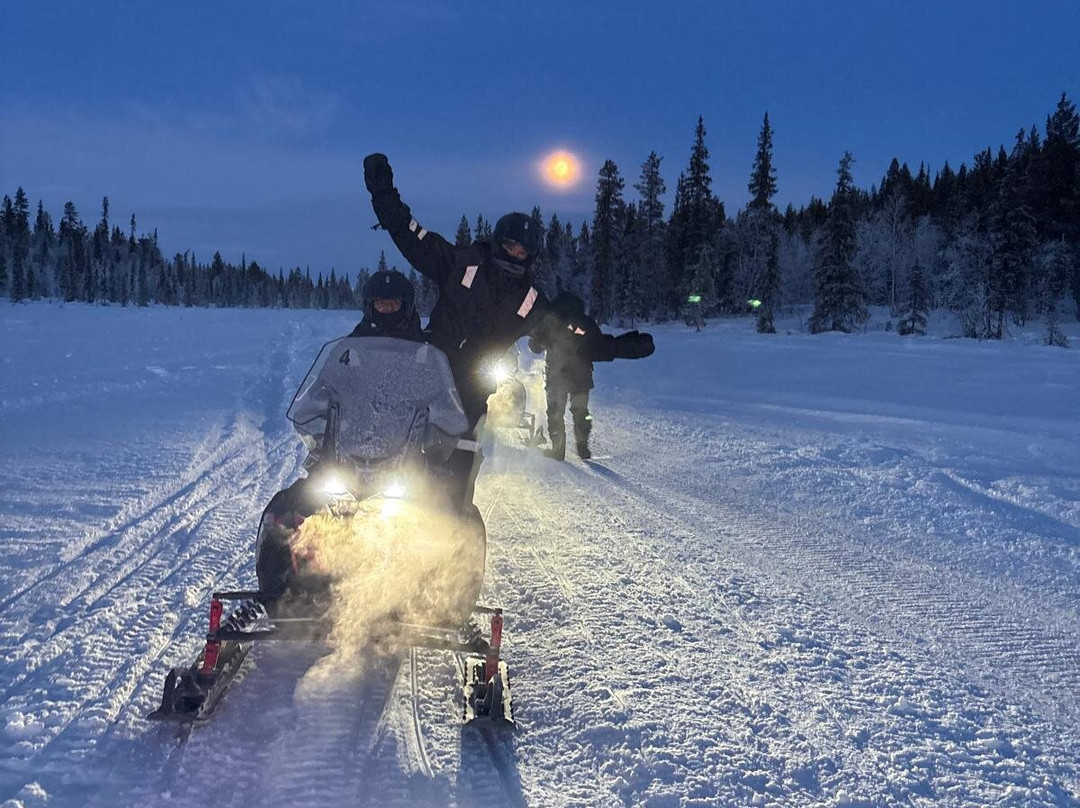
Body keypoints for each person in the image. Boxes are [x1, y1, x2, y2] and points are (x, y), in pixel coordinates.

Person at [362, 153, 654, 503]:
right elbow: (409, 234)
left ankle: (454, 538)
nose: (516, 253)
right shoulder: (459, 264)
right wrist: (383, 192)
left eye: (523, 250)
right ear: (498, 241)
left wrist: (617, 347)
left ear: (531, 255)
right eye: (511, 245)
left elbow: (571, 341)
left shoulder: (530, 301)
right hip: (428, 374)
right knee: (387, 448)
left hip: (470, 394)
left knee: (456, 480)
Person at [256, 267, 427, 598]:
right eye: (381, 304)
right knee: (287, 508)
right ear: (369, 306)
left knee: (441, 517)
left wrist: (442, 429)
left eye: (393, 305)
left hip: (402, 457)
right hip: (347, 452)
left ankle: (437, 595)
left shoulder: (422, 355)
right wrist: (316, 420)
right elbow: (321, 390)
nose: (386, 311)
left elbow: (442, 401)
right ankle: (280, 587)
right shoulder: (348, 351)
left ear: (405, 307)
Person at [529, 293, 649, 460]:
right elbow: (598, 344)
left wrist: (538, 339)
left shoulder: (550, 321)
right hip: (582, 374)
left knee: (555, 411)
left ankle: (558, 449)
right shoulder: (585, 322)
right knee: (581, 411)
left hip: (556, 374)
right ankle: (583, 446)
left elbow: (534, 346)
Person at [349, 268, 423, 340]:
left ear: (406, 307)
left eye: (394, 303)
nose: (388, 308)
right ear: (369, 308)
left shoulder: (422, 346)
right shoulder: (357, 340)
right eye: (381, 303)